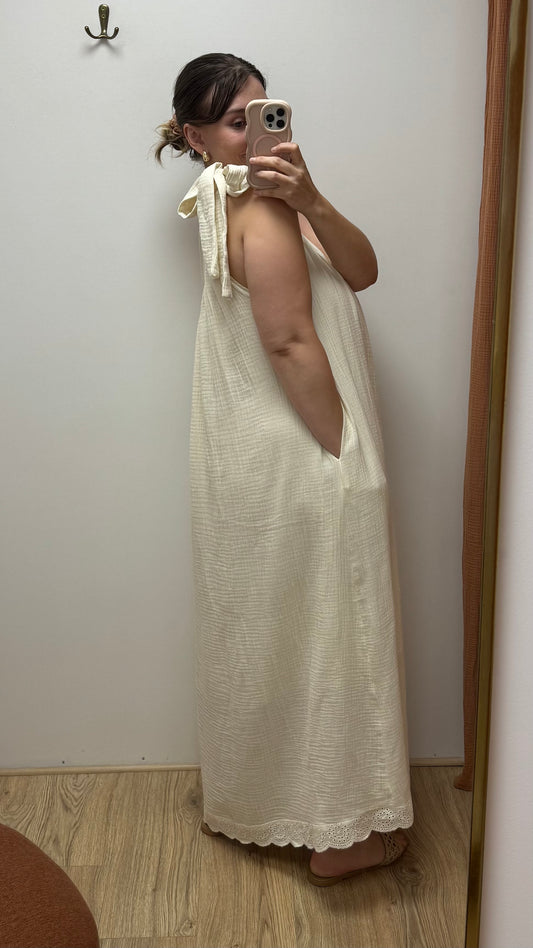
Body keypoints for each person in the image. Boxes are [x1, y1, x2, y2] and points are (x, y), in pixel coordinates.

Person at [156, 52, 413, 886]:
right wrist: (347, 457)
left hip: (260, 452)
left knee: (283, 633)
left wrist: (310, 196)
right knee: (334, 633)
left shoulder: (258, 200)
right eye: (236, 121)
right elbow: (290, 341)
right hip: (304, 450)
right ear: (196, 137)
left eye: (266, 111)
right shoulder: (252, 210)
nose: (258, 131)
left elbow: (362, 272)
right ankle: (342, 838)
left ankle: (270, 800)